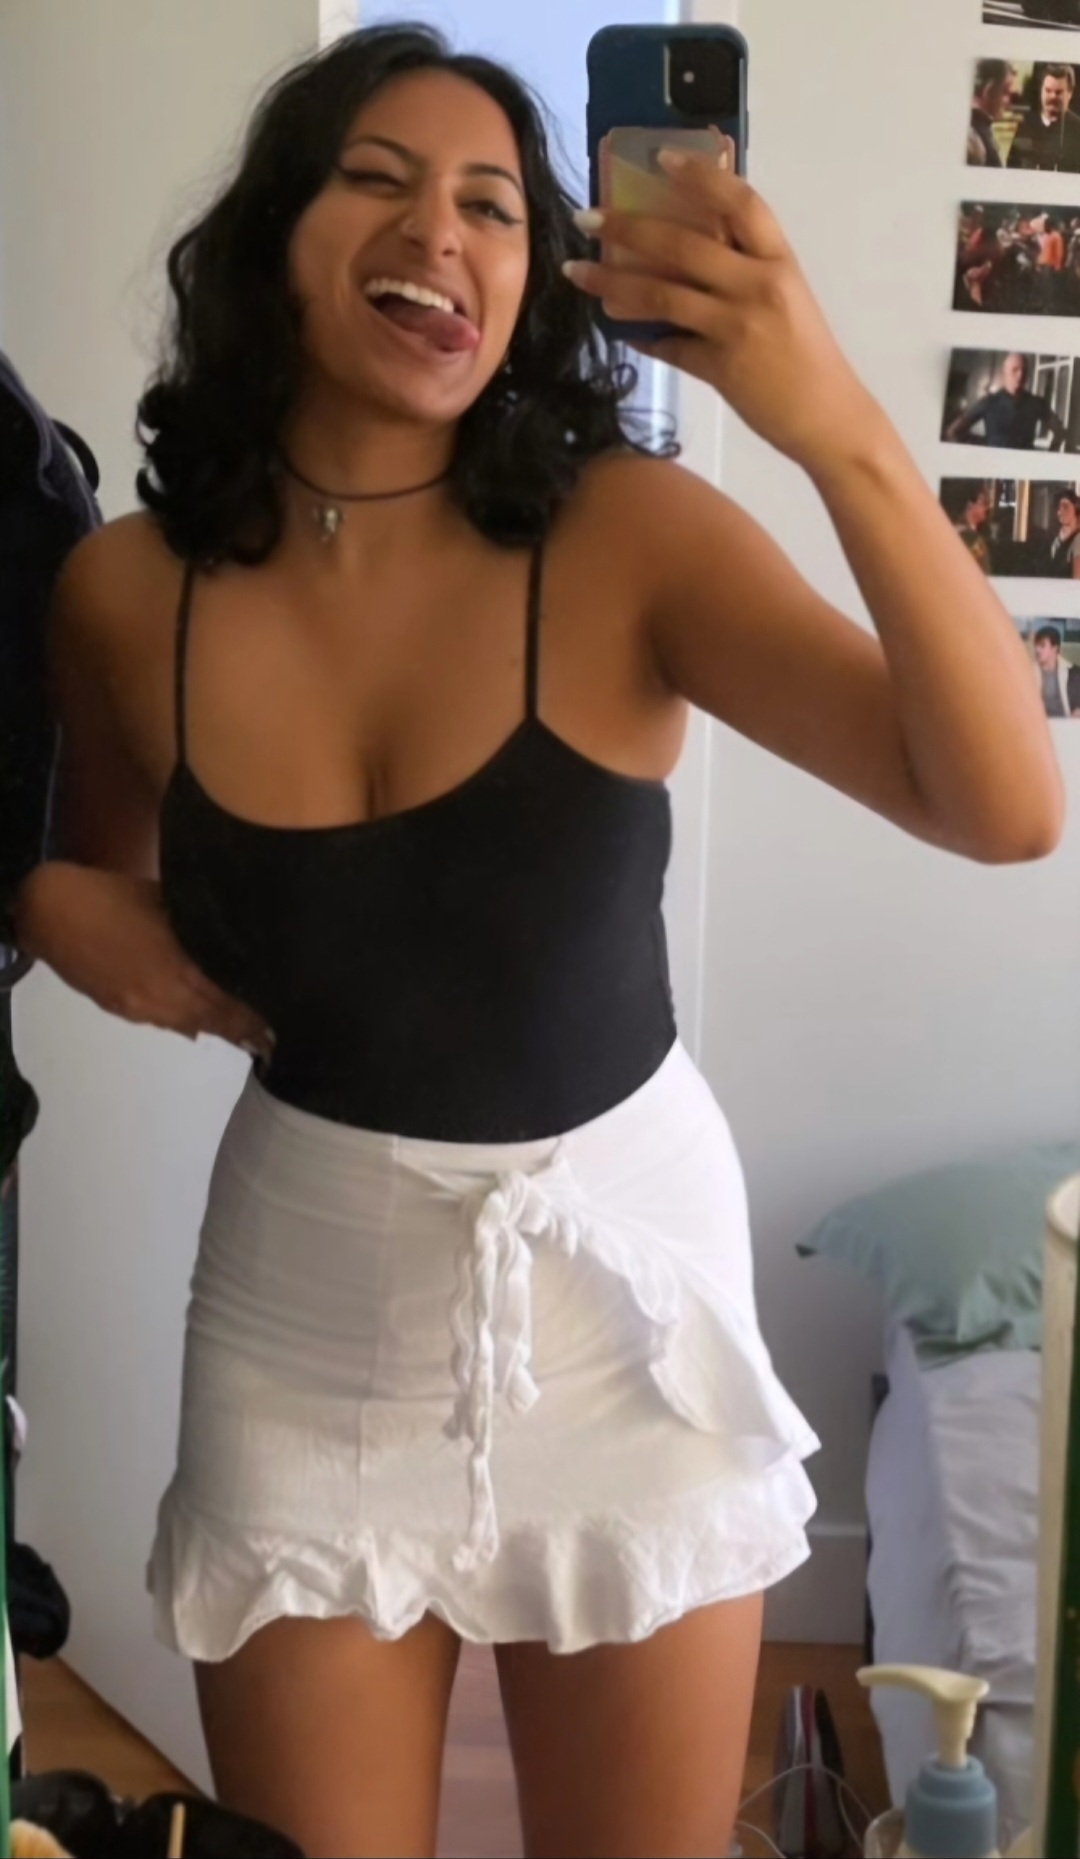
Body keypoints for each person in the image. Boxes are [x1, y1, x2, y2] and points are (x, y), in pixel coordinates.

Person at [9, 27, 1064, 1859]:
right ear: (274, 239)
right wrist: (42, 897)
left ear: (533, 277)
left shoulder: (630, 536)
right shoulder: (122, 591)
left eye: (495, 204)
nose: (443, 231)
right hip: (306, 1310)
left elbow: (1003, 804)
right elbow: (92, 865)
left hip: (624, 1302)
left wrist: (829, 420)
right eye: (378, 178)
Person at [946, 352, 1068, 450]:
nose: (1020, 375)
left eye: (1024, 370)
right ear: (1005, 373)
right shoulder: (988, 402)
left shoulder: (1037, 403)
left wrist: (1045, 459)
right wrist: (984, 446)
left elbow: (1060, 433)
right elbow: (953, 432)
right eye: (1015, 370)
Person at [1007, 63, 1080, 171]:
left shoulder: (1077, 130)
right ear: (1041, 90)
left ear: (1070, 93)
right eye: (1048, 90)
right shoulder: (1026, 125)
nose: (1052, 96)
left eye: (1058, 92)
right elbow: (1012, 165)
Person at [968, 59, 1016, 166]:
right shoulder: (976, 138)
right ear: (989, 89)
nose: (1008, 102)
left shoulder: (980, 128)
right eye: (1005, 91)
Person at [1032, 624, 1080, 716]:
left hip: (1066, 721)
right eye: (1036, 645)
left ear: (1055, 648)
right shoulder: (1030, 673)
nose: (1037, 649)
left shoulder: (1073, 673)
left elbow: (1077, 708)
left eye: (1042, 645)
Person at [948, 483, 995, 573]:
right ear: (970, 505)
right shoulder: (972, 540)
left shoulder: (951, 531)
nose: (986, 508)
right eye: (983, 503)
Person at [1049, 491, 1080, 575]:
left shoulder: (1078, 539)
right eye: (1058, 508)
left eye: (1066, 507)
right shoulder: (1056, 541)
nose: (1060, 512)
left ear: (1076, 508)